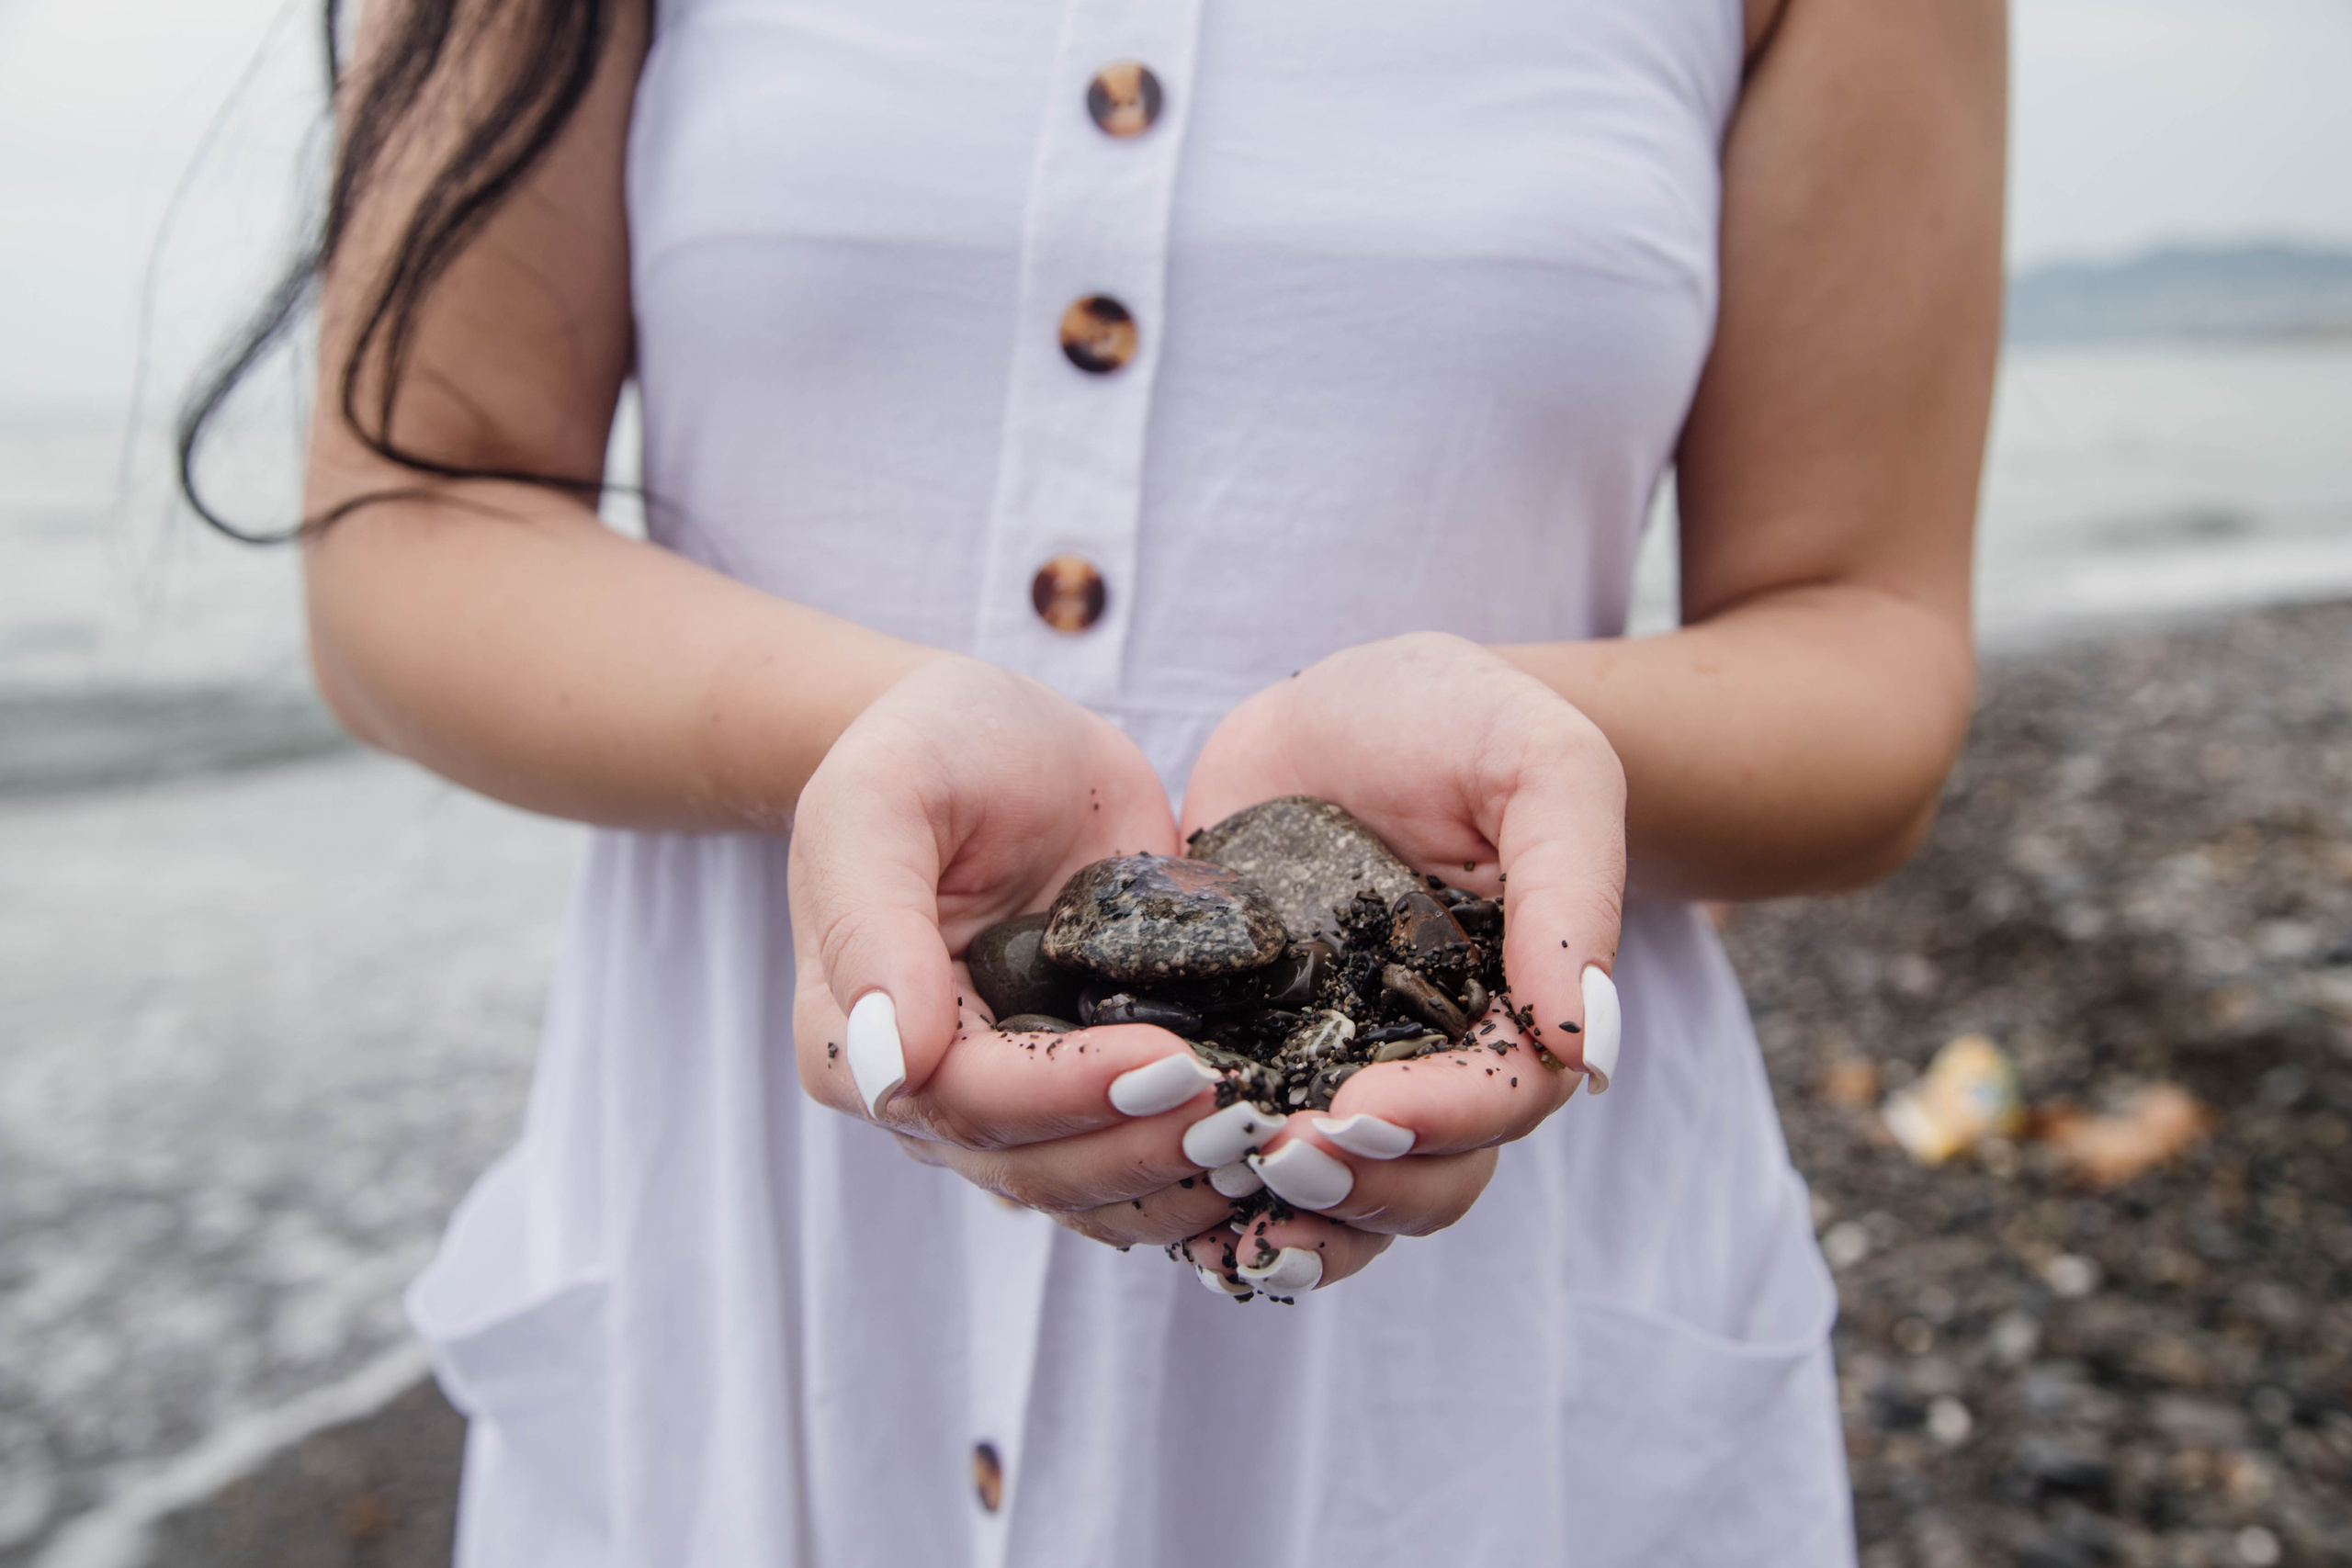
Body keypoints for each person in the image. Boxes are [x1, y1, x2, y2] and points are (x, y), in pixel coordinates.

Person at [193, 0, 2003, 1559]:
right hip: (759, 1251)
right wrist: (868, 735)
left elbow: (1866, 644)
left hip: (1484, 1285)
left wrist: (1518, 736)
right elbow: (407, 533)